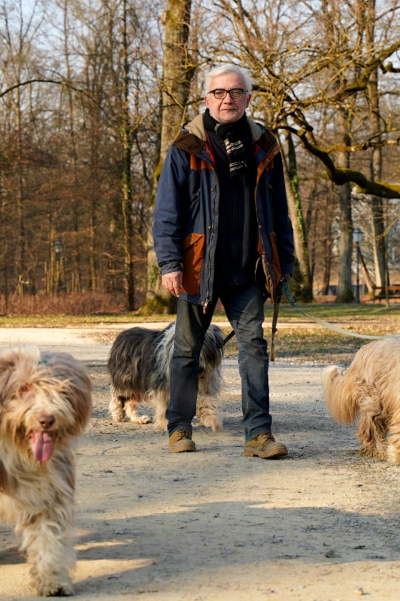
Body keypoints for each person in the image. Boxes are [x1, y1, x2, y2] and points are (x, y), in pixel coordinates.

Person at [153, 64, 294, 458]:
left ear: (248, 98)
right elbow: (166, 211)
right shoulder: (187, 146)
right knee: (186, 349)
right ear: (206, 99)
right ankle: (179, 428)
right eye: (219, 92)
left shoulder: (265, 144)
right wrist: (169, 263)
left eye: (236, 92)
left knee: (253, 345)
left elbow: (279, 211)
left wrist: (285, 263)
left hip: (249, 267)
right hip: (198, 266)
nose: (227, 99)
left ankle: (258, 434)